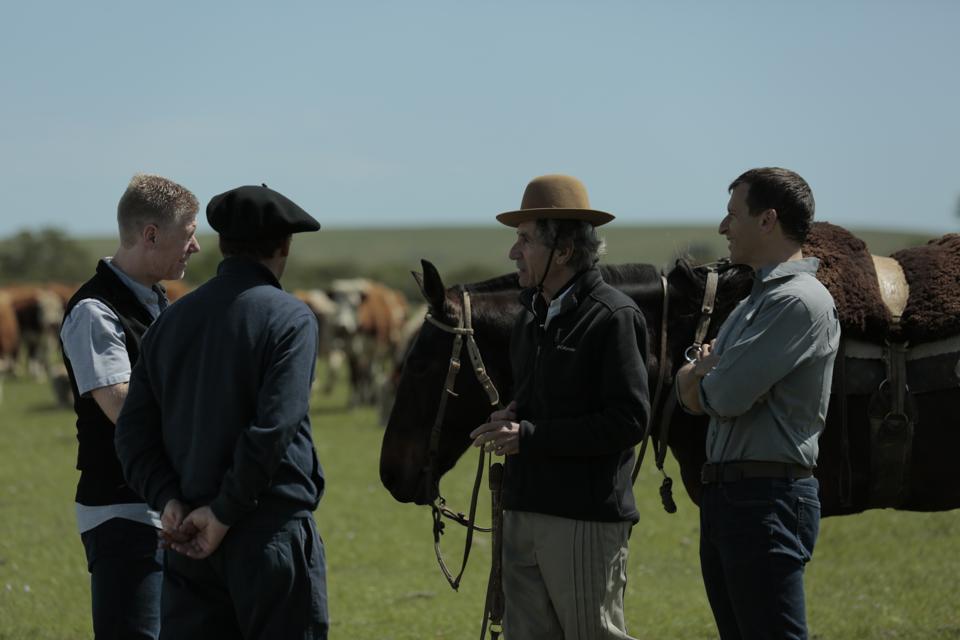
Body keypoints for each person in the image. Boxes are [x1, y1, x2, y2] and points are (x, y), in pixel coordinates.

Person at [114, 184, 329, 640]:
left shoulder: (169, 320)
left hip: (189, 543)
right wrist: (225, 513)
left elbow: (132, 436)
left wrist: (169, 501)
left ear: (222, 244)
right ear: (284, 245)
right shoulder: (290, 318)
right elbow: (274, 428)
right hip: (268, 539)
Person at [470, 174, 649, 639]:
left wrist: (528, 436)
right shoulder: (531, 314)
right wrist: (513, 414)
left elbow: (628, 420)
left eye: (525, 240)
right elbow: (539, 398)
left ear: (564, 250)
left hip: (584, 517)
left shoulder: (614, 317)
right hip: (523, 508)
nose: (513, 253)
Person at [676, 167, 840, 639]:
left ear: (767, 220)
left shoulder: (798, 303)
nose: (723, 228)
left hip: (766, 500)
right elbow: (689, 394)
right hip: (732, 499)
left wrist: (703, 374)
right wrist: (700, 377)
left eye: (733, 215)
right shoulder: (754, 302)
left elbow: (722, 396)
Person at [60, 173, 200, 639]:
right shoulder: (94, 310)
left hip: (159, 504)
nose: (195, 247)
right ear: (151, 235)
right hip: (124, 509)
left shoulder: (155, 302)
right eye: (189, 233)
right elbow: (121, 406)